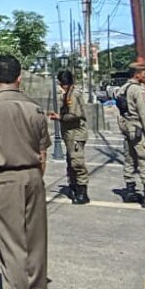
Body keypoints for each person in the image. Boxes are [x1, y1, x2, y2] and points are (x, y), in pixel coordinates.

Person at [0, 55, 51, 289]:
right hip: (34, 175)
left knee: (12, 243)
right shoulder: (34, 108)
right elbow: (43, 151)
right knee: (35, 240)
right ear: (19, 77)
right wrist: (36, 177)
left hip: (6, 177)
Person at [116, 63, 145, 208]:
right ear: (137, 74)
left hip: (127, 128)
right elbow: (144, 114)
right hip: (137, 128)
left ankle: (130, 190)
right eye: (144, 73)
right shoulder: (137, 90)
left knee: (130, 159)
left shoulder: (122, 89)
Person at [47, 69, 89, 204]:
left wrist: (60, 117)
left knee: (77, 161)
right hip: (69, 133)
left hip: (76, 132)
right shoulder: (67, 94)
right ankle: (74, 186)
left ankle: (82, 191)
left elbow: (75, 114)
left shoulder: (74, 94)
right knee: (71, 161)